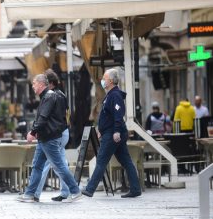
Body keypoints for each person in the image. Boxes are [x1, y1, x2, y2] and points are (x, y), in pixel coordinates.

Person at [17, 72, 82, 203]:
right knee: (37, 165)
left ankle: (75, 190)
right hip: (45, 138)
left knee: (59, 166)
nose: (33, 87)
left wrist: (33, 132)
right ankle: (29, 194)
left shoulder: (49, 97)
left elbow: (43, 118)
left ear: (41, 84)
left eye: (34, 84)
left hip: (49, 138)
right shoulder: (49, 96)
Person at [82, 68, 142, 198]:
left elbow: (118, 115)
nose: (102, 80)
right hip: (110, 133)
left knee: (101, 161)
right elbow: (107, 116)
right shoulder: (110, 95)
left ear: (110, 80)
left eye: (104, 78)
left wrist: (115, 132)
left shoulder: (115, 95)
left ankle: (90, 189)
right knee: (126, 161)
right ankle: (136, 189)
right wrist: (101, 130)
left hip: (113, 134)